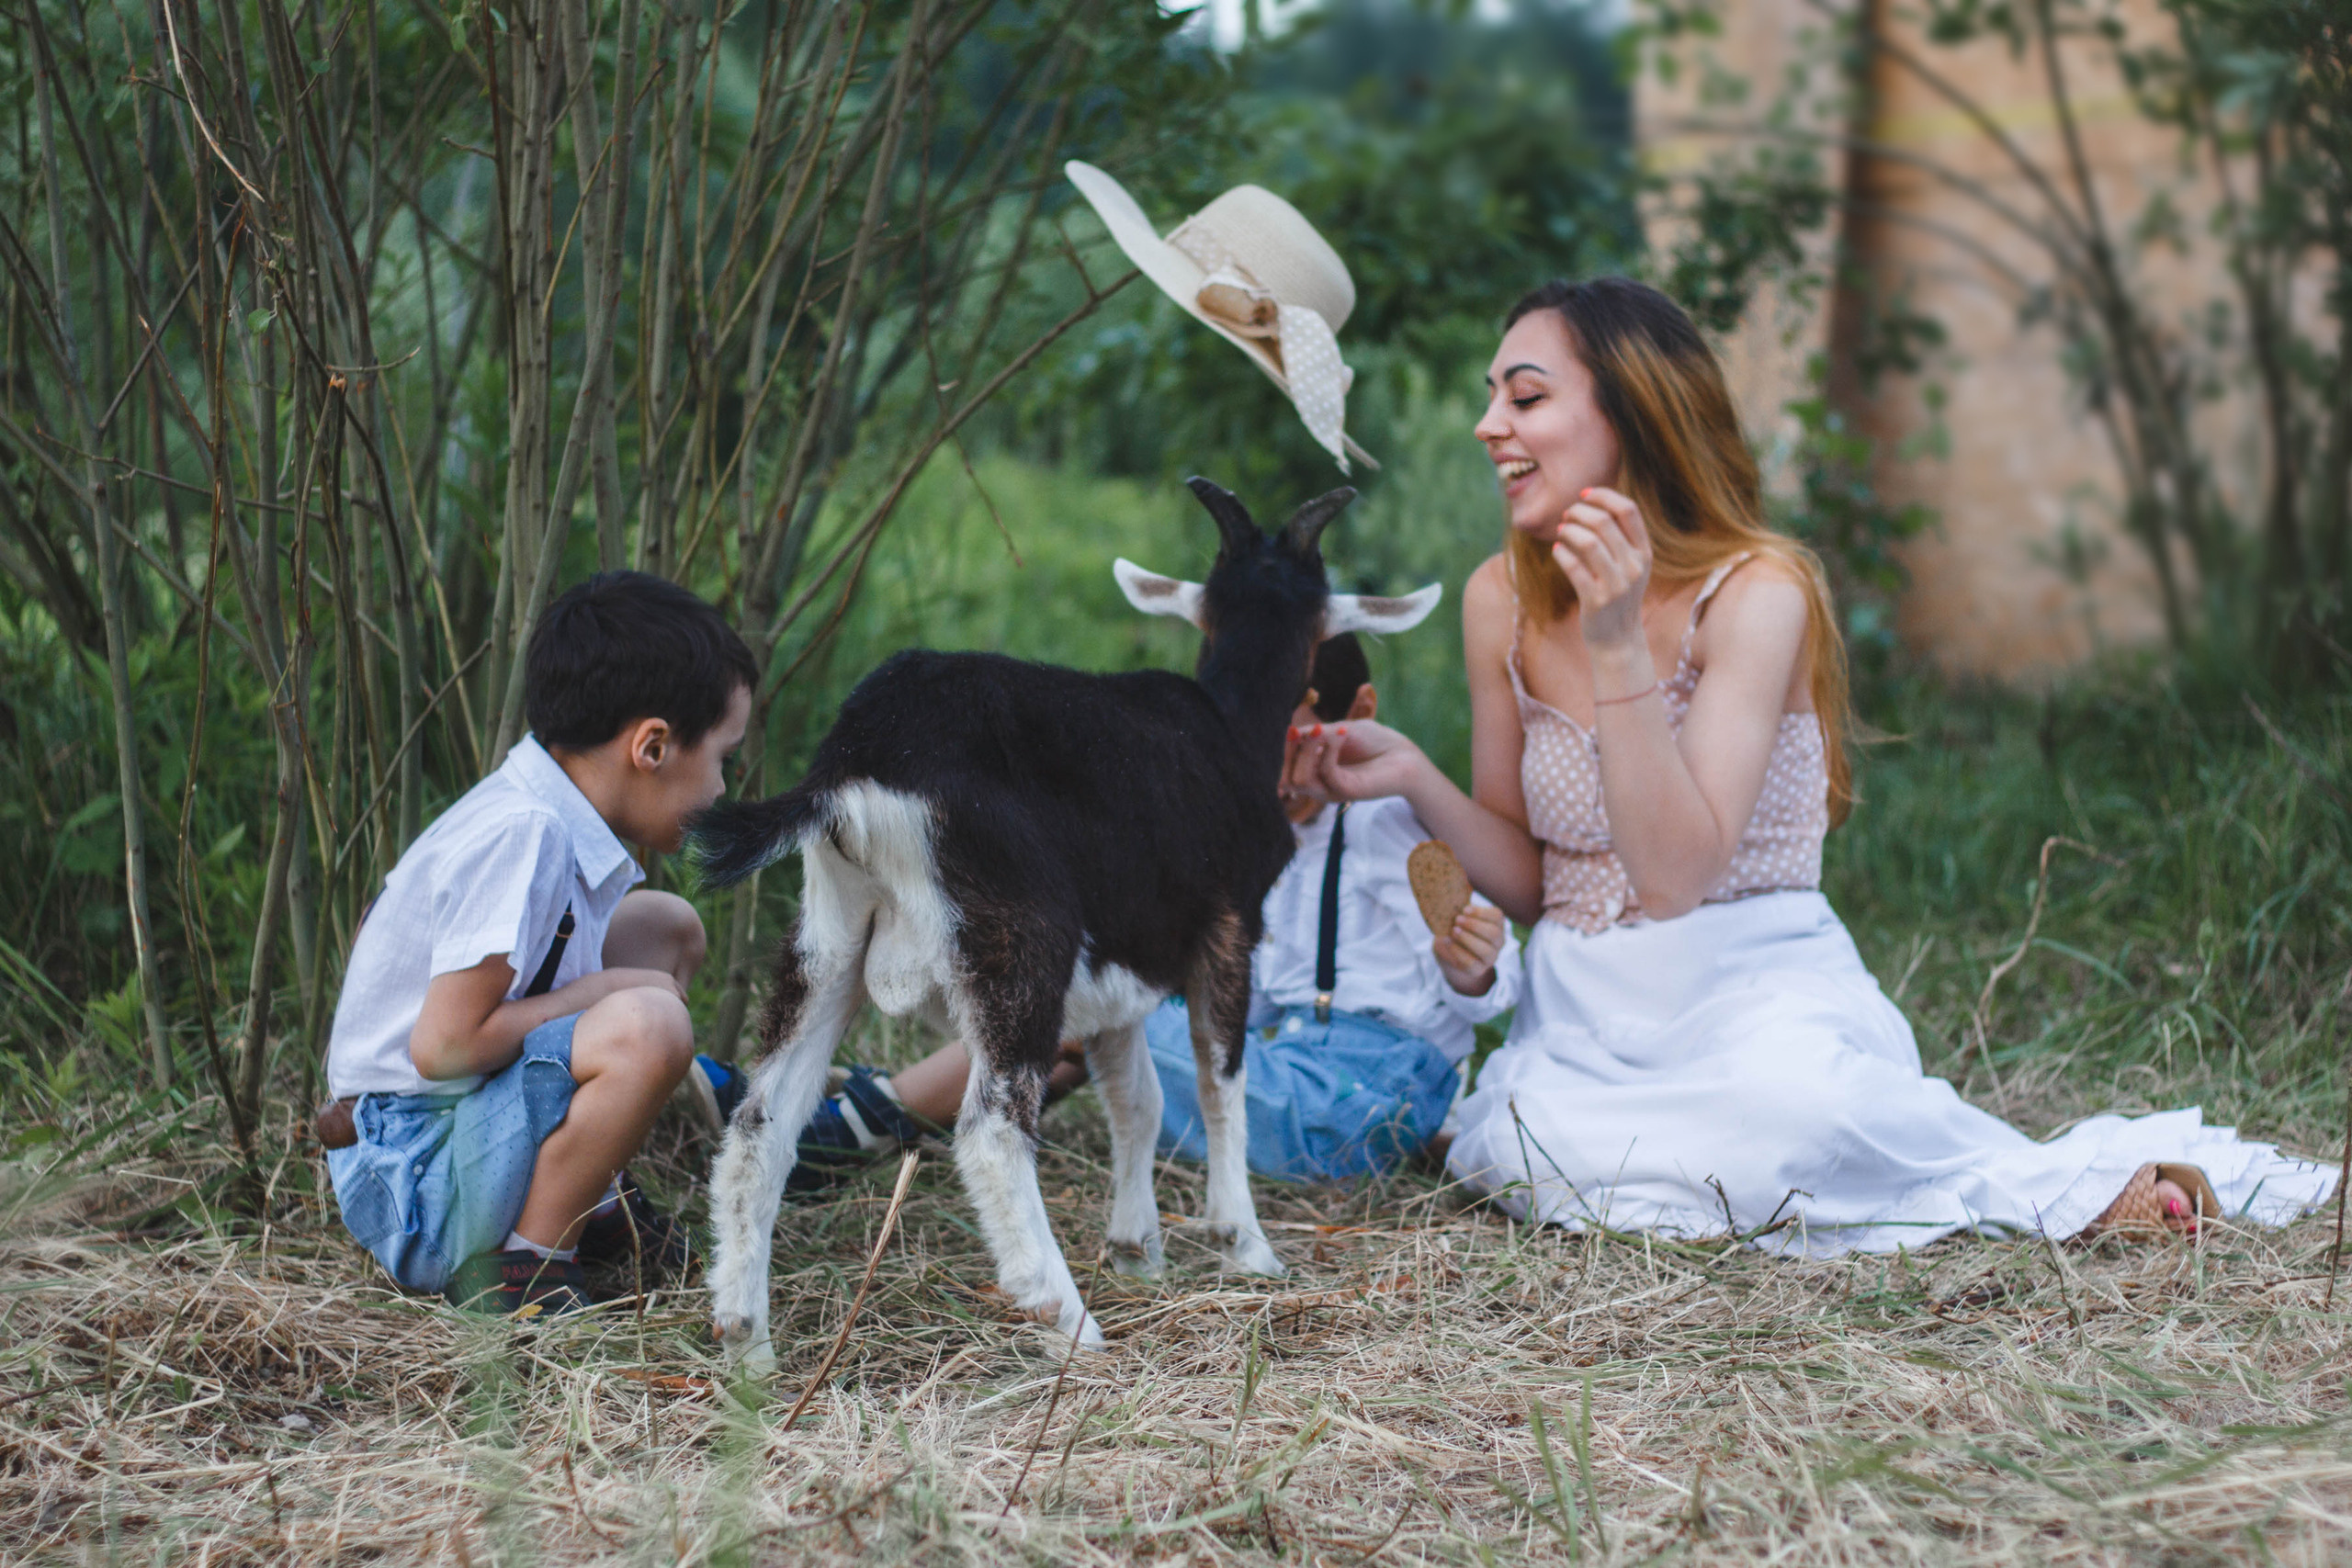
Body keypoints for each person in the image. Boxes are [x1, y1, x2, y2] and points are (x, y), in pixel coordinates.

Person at [1285, 276, 2335, 1251]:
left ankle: (2070, 1186)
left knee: (1797, 1124)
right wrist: (1419, 777)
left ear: (1632, 416)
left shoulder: (1759, 592)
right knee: (1536, 1149)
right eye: (1490, 399)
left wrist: (1614, 644)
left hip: (1751, 983)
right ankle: (1573, 1131)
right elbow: (1533, 882)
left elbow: (1672, 877)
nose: (1488, 426)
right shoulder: (1498, 599)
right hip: (1587, 1010)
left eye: (1524, 397)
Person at [788, 634, 1522, 1189]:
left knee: (1094, 1013)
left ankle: (854, 1121)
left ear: (1353, 715)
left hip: (1360, 1092)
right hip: (1278, 1062)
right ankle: (853, 1115)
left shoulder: (1389, 821)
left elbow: (1496, 974)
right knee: (1092, 1005)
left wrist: (1474, 968)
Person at [322, 572, 756, 1314]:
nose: (721, 789)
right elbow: (444, 1048)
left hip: (442, 1125)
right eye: (721, 758)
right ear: (651, 746)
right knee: (650, 1025)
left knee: (666, 928)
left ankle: (589, 1189)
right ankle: (526, 1268)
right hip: (414, 1172)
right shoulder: (524, 834)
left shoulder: (544, 807)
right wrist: (601, 995)